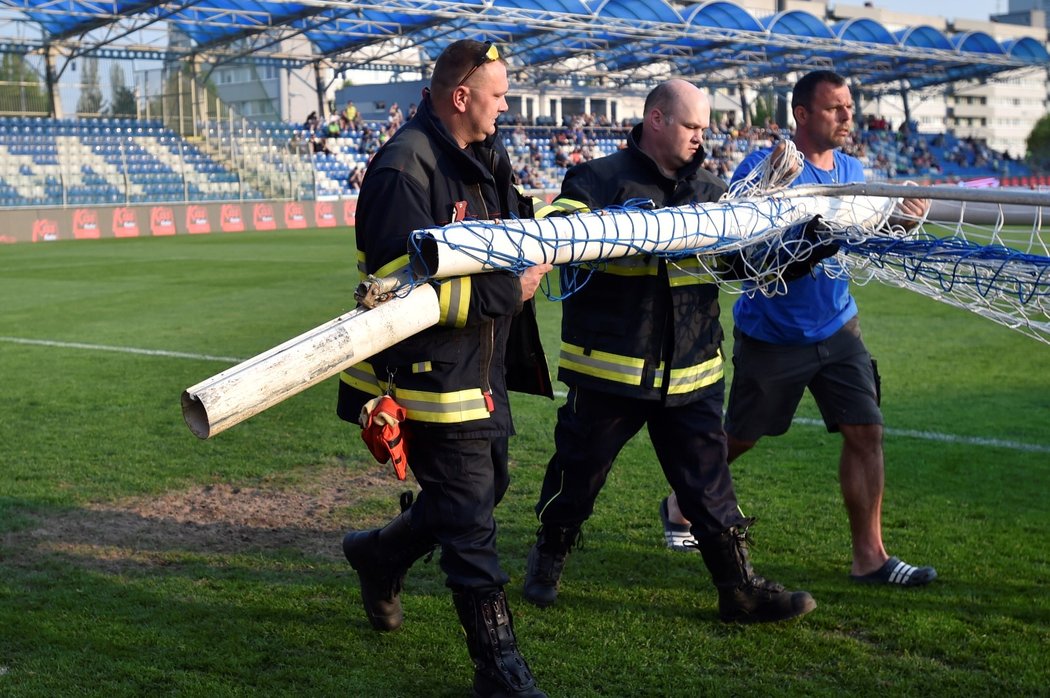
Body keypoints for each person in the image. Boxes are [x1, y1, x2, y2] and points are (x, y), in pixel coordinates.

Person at [523, 79, 817, 625]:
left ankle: (739, 589)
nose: (701, 138)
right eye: (691, 126)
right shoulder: (596, 179)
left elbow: (738, 265)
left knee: (711, 491)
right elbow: (558, 230)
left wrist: (803, 247)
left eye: (705, 128)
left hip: (693, 372)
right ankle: (549, 554)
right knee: (578, 476)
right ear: (655, 120)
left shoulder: (710, 189)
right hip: (610, 371)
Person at [660, 69, 936, 588]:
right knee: (740, 437)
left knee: (866, 431)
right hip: (774, 334)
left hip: (839, 328)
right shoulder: (766, 166)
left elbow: (869, 235)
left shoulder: (854, 169)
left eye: (849, 107)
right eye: (836, 108)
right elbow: (741, 246)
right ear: (802, 115)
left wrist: (902, 220)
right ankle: (679, 503)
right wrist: (771, 191)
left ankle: (870, 559)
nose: (848, 116)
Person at [336, 39, 553, 697]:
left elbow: (515, 235)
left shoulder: (487, 156)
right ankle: (499, 670)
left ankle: (379, 554)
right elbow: (396, 295)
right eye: (499, 94)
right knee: (470, 526)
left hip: (481, 369)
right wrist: (508, 292)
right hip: (428, 381)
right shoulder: (404, 168)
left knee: (483, 494)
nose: (506, 105)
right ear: (461, 97)